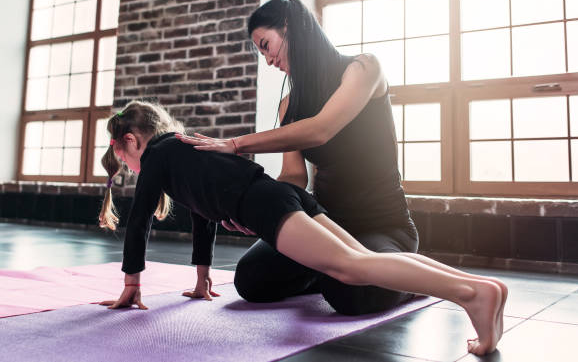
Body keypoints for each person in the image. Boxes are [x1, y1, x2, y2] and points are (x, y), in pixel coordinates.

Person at [97, 100, 506, 356]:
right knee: (365, 259)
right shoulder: (185, 149)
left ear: (132, 141)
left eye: (124, 159)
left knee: (350, 268)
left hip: (267, 204)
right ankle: (481, 286)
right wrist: (202, 278)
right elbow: (205, 217)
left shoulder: (157, 158)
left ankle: (468, 295)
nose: (131, 170)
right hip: (284, 195)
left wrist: (132, 283)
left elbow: (139, 221)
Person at [177, 0, 417, 315]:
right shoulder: (289, 104)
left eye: (266, 45)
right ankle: (334, 270)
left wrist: (235, 144)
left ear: (289, 27)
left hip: (384, 226)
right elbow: (293, 177)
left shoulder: (363, 68)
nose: (268, 60)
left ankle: (411, 278)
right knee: (251, 281)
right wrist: (259, 209)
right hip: (325, 225)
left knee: (349, 294)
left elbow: (321, 129)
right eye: (261, 52)